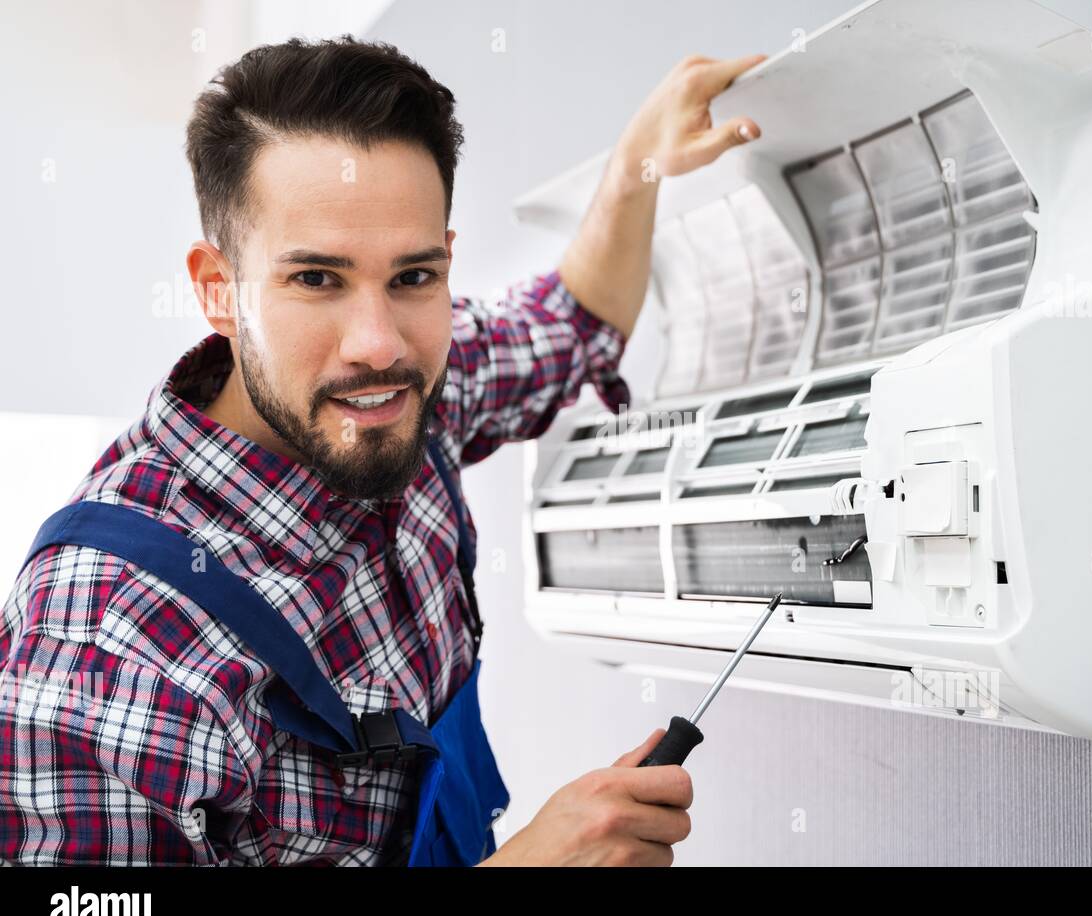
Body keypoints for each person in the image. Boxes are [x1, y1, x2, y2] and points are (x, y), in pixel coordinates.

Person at [0, 36, 764, 866]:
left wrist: (635, 168)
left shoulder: (415, 391)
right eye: (317, 280)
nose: (378, 346)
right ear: (218, 290)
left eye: (412, 277)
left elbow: (571, 323)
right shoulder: (103, 646)